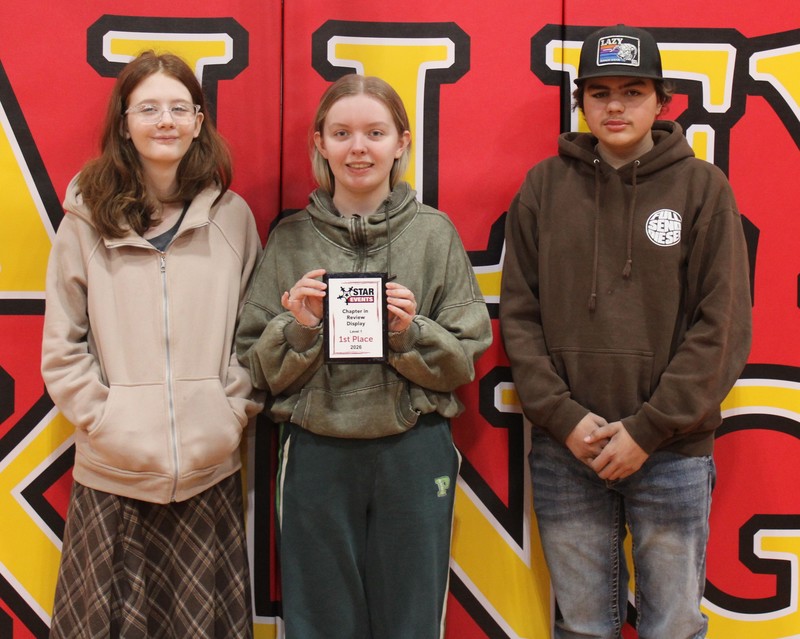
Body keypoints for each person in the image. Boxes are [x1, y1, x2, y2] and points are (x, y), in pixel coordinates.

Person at [500, 25, 752, 639]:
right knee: (583, 628)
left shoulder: (703, 189)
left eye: (633, 91)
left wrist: (648, 428)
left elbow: (721, 326)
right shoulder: (542, 188)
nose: (616, 106)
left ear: (661, 101)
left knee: (673, 626)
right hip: (568, 451)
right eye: (601, 91)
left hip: (671, 452)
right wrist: (562, 416)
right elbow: (519, 314)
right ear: (581, 102)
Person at [235, 74, 492, 639]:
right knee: (318, 621)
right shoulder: (290, 238)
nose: (359, 148)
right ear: (320, 143)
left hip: (413, 452)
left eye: (375, 133)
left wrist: (409, 334)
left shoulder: (434, 235)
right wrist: (298, 328)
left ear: (401, 142)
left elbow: (465, 357)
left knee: (412, 621)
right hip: (315, 455)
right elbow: (254, 360)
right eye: (343, 133)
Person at [41, 51, 262, 638]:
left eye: (178, 108)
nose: (164, 120)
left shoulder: (233, 219)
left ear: (198, 121)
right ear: (124, 123)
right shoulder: (84, 221)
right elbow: (62, 347)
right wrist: (108, 421)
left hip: (206, 477)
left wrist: (227, 414)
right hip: (113, 477)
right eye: (149, 108)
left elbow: (253, 334)